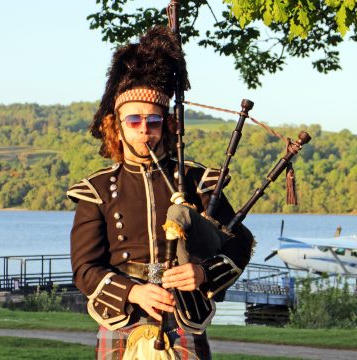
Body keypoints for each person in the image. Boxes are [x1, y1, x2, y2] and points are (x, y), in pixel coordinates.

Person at [67, 26, 255, 360]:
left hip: (184, 314)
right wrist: (135, 292)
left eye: (153, 121)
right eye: (134, 121)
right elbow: (84, 268)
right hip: (122, 316)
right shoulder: (96, 191)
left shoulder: (196, 181)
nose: (144, 130)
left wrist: (202, 272)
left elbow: (240, 243)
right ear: (117, 126)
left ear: (165, 124)